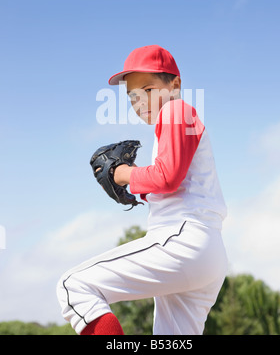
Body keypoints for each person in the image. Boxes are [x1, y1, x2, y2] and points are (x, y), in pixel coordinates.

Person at [56, 44, 228, 335]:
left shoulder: (176, 110)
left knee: (74, 286)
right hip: (205, 251)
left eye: (148, 90)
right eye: (133, 96)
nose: (140, 101)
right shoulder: (179, 119)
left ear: (175, 85)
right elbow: (170, 178)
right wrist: (139, 185)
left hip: (184, 238)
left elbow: (168, 176)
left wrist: (123, 174)